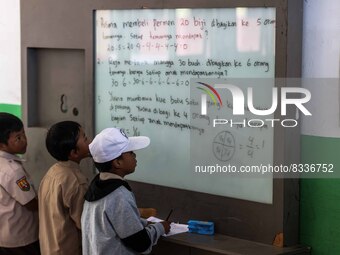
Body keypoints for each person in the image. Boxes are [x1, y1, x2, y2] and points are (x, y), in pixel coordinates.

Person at [81, 127, 170, 255]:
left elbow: (114, 224)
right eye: (130, 152)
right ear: (117, 162)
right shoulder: (119, 195)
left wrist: (144, 223)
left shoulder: (96, 187)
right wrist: (161, 228)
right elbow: (141, 243)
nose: (134, 155)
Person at [38, 121, 90, 255]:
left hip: (48, 247)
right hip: (67, 249)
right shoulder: (76, 181)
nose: (90, 141)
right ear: (74, 153)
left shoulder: (53, 172)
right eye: (85, 138)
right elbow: (84, 223)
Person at [0, 112, 40, 255]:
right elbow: (30, 203)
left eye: (23, 134)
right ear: (2, 144)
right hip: (20, 238)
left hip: (6, 234)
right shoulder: (12, 170)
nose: (24, 140)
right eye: (18, 138)